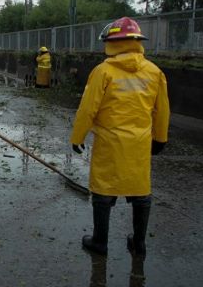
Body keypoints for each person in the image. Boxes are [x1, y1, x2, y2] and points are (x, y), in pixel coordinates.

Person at [70, 16, 170, 256]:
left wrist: (78, 137)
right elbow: (162, 109)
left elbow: (88, 108)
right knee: (140, 191)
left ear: (112, 42)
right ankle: (139, 243)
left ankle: (100, 242)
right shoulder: (155, 72)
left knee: (104, 190)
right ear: (136, 41)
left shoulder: (103, 72)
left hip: (110, 142)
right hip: (139, 143)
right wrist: (160, 138)